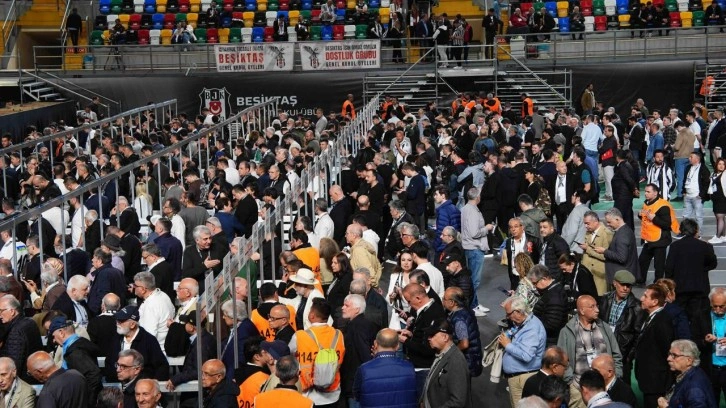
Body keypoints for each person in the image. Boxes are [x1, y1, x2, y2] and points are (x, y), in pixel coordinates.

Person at [289, 298, 345, 408]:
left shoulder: (300, 336)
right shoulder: (338, 335)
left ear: (312, 315)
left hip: (309, 395)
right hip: (333, 393)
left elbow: (289, 355)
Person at [557, 295, 623, 384]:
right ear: (582, 311)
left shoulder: (605, 328)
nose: (597, 310)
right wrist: (570, 382)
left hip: (605, 385)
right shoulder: (567, 332)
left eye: (597, 306)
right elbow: (562, 360)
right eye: (592, 307)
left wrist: (616, 377)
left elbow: (616, 355)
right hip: (579, 386)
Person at [399, 282, 446, 397]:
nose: (409, 305)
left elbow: (429, 348)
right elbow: (423, 336)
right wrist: (411, 334)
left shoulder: (433, 314)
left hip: (424, 368)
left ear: (418, 298)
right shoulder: (426, 310)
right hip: (419, 365)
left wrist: (406, 341)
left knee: (422, 399)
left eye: (409, 301)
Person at [500, 295, 547, 408]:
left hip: (523, 378)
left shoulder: (532, 328)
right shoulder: (523, 322)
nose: (507, 317)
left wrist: (507, 345)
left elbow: (526, 356)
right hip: (520, 376)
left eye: (508, 314)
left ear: (518, 311)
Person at [635, 284, 675, 408]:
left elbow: (667, 350)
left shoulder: (662, 321)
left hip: (657, 382)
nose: (641, 299)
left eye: (645, 296)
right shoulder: (650, 317)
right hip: (650, 381)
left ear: (655, 302)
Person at [48, 317, 103, 405]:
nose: (54, 340)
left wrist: (85, 401)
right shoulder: (79, 344)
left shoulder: (75, 352)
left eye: (53, 336)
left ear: (61, 333)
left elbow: (94, 375)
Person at [421, 318, 472, 408]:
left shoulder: (456, 361)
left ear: (445, 337)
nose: (429, 338)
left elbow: (458, 401)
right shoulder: (440, 353)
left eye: (432, 335)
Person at [113, 306, 170, 380]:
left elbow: (161, 366)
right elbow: (109, 363)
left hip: (141, 383)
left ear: (132, 324)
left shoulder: (149, 340)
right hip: (117, 383)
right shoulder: (116, 339)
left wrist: (148, 383)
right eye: (117, 320)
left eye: (121, 321)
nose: (117, 323)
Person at [340, 294, 377, 407]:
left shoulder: (357, 327)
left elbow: (364, 354)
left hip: (356, 382)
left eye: (347, 305)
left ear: (357, 309)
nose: (343, 308)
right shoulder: (363, 323)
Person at [460, 187, 493, 312]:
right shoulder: (473, 211)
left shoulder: (465, 209)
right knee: (474, 281)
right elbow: (474, 233)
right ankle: (472, 307)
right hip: (475, 248)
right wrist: (487, 228)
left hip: (470, 247)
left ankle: (474, 304)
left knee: (472, 279)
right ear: (478, 197)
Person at [658, 339, 717, 408]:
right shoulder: (692, 372)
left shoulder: (694, 389)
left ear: (689, 361)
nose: (668, 358)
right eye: (669, 354)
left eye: (674, 355)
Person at [639, 183, 678, 284]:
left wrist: (654, 218)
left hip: (660, 240)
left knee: (659, 265)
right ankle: (640, 280)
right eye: (645, 191)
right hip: (649, 239)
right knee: (642, 261)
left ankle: (658, 283)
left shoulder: (663, 206)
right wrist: (640, 215)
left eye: (648, 192)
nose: (645, 194)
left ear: (655, 193)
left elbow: (667, 225)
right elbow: (646, 218)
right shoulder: (647, 203)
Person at [0, 295, 42, 383]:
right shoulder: (30, 322)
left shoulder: (16, 331)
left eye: (1, 311)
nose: (0, 315)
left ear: (12, 311)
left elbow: (14, 364)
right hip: (34, 376)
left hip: (22, 381)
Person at [595, 208, 640, 290]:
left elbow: (621, 257)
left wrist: (604, 251)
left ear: (617, 219)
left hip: (622, 278)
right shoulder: (625, 230)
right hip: (622, 275)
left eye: (609, 222)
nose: (608, 224)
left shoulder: (622, 234)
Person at [443, 286, 482, 377]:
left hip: (467, 361)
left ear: (452, 302)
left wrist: (450, 352)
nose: (442, 301)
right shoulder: (465, 309)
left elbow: (464, 344)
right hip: (472, 357)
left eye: (444, 299)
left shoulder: (459, 320)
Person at [133, 271, 176, 354]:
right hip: (164, 344)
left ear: (143, 289)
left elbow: (149, 334)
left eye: (135, 285)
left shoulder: (151, 305)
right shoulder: (163, 295)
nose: (134, 287)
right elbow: (173, 311)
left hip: (156, 350)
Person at [527, 265, 567, 346]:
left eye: (535, 283)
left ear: (544, 279)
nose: (534, 286)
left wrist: (532, 322)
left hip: (550, 340)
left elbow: (552, 324)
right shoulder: (552, 289)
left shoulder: (555, 297)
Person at [506, 217, 541, 291]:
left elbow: (538, 259)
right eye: (511, 227)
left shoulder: (533, 240)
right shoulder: (509, 242)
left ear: (522, 227)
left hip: (530, 277)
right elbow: (510, 260)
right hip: (515, 277)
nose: (513, 229)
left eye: (516, 226)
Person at [682, 152, 711, 231]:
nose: (689, 158)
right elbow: (685, 180)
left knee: (698, 216)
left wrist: (701, 195)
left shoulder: (704, 169)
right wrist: (684, 191)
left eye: (691, 157)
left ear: (697, 159)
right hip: (688, 195)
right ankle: (684, 232)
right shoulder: (688, 167)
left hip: (697, 197)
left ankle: (697, 233)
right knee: (685, 216)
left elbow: (707, 183)